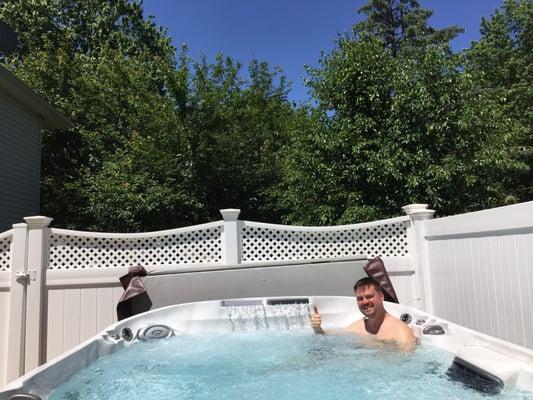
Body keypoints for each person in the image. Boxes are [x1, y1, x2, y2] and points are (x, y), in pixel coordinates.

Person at [310, 277, 416, 351]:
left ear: (381, 296)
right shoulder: (359, 327)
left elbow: (407, 364)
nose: (365, 302)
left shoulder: (400, 331)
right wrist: (317, 328)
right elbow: (328, 337)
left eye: (369, 296)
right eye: (360, 299)